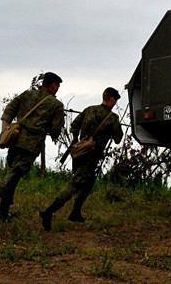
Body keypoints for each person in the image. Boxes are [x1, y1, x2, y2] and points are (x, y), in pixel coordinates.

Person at [0, 72, 65, 225]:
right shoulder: (56, 105)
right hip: (30, 147)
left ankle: (3, 214)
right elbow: (55, 130)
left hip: (14, 142)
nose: (57, 89)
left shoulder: (26, 95)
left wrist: (4, 132)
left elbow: (8, 112)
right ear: (52, 85)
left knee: (12, 178)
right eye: (57, 86)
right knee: (9, 180)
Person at [39, 87, 123, 230]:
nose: (115, 103)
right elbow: (118, 138)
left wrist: (77, 140)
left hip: (79, 153)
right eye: (115, 100)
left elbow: (74, 126)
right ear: (112, 99)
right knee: (76, 183)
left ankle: (75, 212)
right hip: (92, 156)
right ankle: (49, 211)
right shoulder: (112, 118)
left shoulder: (89, 110)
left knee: (89, 181)